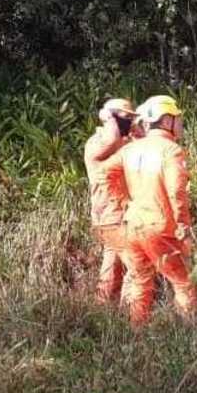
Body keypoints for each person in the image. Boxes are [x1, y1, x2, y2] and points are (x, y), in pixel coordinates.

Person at [101, 95, 197, 325]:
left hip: (133, 226)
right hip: (161, 228)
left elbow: (105, 174)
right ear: (166, 120)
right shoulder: (171, 150)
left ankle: (137, 333)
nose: (180, 123)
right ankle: (192, 335)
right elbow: (177, 192)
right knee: (183, 281)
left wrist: (123, 201)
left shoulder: (131, 149)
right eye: (177, 118)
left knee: (140, 281)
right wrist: (183, 225)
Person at [84, 98, 138, 305]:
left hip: (119, 214)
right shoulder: (96, 143)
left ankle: (102, 308)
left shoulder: (124, 142)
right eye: (124, 118)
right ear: (110, 118)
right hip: (109, 215)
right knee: (137, 265)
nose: (128, 123)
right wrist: (110, 118)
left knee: (112, 263)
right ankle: (131, 313)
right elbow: (111, 140)